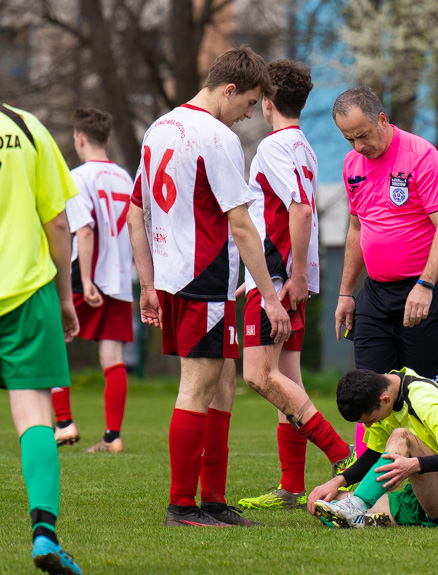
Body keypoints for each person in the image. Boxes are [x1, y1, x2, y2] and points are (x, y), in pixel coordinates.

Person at [127, 45, 291, 528]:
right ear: (229, 90)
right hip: (204, 280)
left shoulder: (159, 127)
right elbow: (242, 226)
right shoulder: (215, 137)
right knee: (198, 387)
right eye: (247, 104)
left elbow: (136, 210)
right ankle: (182, 506)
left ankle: (213, 501)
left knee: (223, 383)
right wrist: (272, 297)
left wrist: (148, 283)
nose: (245, 117)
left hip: (177, 279)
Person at [0, 18, 82, 574]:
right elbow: (57, 223)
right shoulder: (26, 127)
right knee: (33, 409)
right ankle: (44, 535)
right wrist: (64, 295)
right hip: (21, 289)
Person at [234, 59, 355, 511]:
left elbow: (299, 210)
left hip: (276, 280)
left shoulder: (272, 148)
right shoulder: (304, 146)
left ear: (266, 102)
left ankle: (341, 453)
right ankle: (290, 486)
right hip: (293, 278)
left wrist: (294, 275)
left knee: (258, 376)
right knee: (287, 380)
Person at [332, 86, 438, 457]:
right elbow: (357, 229)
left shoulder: (422, 157)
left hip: (423, 289)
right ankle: (366, 486)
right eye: (349, 138)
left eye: (363, 135)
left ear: (382, 120)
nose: (357, 146)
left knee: (424, 391)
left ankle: (436, 478)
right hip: (375, 292)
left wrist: (425, 285)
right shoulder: (352, 165)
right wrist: (345, 292)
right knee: (368, 388)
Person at [308, 368, 438, 529]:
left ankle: (358, 506)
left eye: (372, 420)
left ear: (385, 399)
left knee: (401, 436)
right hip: (420, 501)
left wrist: (414, 464)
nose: (372, 425)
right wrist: (338, 481)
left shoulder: (423, 399)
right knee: (326, 504)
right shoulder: (385, 397)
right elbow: (374, 454)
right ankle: (361, 517)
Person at [51, 107, 135, 454]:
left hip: (88, 275)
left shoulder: (77, 177)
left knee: (54, 342)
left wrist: (85, 280)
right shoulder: (124, 177)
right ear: (109, 139)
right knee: (112, 355)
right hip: (119, 277)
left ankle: (64, 421)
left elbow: (83, 231)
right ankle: (112, 437)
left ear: (80, 138)